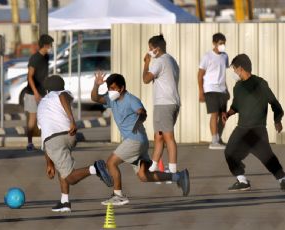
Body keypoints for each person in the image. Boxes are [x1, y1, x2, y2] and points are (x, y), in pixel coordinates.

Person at [91, 72, 189, 206]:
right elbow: (95, 98)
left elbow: (143, 112)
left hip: (134, 140)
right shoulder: (111, 100)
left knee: (111, 163)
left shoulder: (131, 99)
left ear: (122, 88)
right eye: (109, 88)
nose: (111, 91)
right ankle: (179, 176)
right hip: (138, 141)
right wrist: (96, 85)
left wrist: (140, 118)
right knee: (144, 175)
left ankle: (118, 195)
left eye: (113, 88)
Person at [37, 75, 113, 212]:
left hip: (54, 139)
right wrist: (71, 121)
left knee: (70, 177)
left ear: (47, 90)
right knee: (63, 170)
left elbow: (45, 135)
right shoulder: (60, 95)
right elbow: (63, 98)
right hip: (69, 135)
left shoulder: (48, 99)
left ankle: (95, 168)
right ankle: (64, 202)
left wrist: (48, 162)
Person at [222, 54, 285, 191]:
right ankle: (242, 181)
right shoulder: (237, 87)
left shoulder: (260, 83)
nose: (233, 72)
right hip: (241, 129)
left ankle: (283, 180)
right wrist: (228, 114)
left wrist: (277, 120)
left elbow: (274, 103)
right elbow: (236, 106)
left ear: (240, 68)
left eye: (234, 69)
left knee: (267, 157)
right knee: (229, 153)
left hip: (257, 129)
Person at [142, 34, 180, 174]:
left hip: (164, 103)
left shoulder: (159, 62)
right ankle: (153, 166)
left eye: (150, 48)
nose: (149, 51)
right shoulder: (172, 60)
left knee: (168, 137)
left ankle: (173, 170)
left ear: (156, 49)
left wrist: (146, 63)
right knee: (159, 135)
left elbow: (146, 79)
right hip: (172, 102)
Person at [198, 33, 229, 150]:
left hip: (222, 90)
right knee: (214, 114)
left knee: (223, 116)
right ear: (214, 43)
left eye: (224, 43)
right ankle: (214, 141)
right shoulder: (207, 56)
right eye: (221, 43)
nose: (223, 46)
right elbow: (200, 74)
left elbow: (223, 74)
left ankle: (218, 138)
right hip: (210, 89)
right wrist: (201, 91)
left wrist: (227, 90)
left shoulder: (225, 56)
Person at [25, 34, 54, 151]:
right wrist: (36, 93)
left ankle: (45, 142)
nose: (51, 47)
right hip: (33, 93)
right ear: (46, 45)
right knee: (32, 119)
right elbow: (30, 77)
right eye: (50, 44)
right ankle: (29, 143)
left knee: (45, 118)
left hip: (43, 92)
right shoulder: (35, 58)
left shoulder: (46, 57)